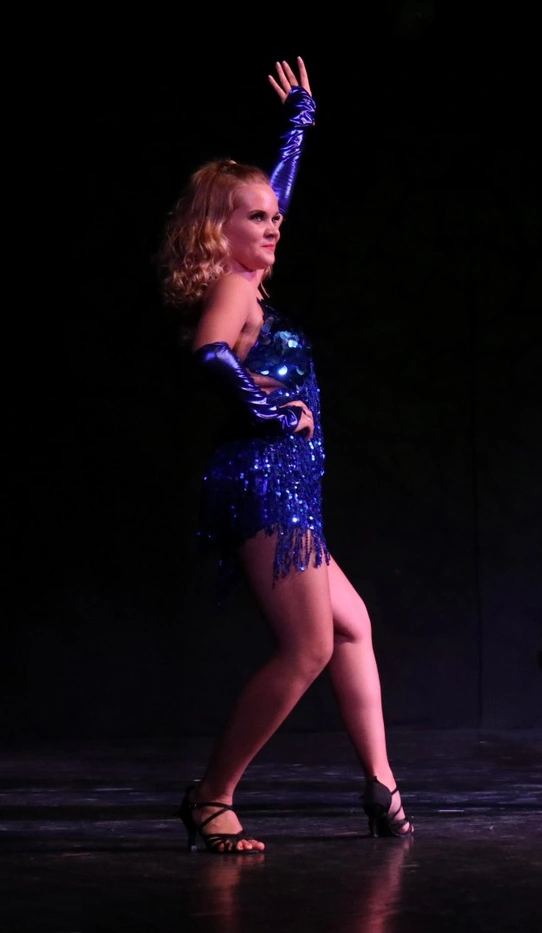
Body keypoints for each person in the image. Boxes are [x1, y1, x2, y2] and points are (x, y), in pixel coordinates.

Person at [157, 58, 412, 853]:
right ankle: (211, 794)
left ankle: (381, 783)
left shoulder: (250, 274)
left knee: (351, 626)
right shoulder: (234, 285)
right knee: (308, 647)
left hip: (288, 484)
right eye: (257, 218)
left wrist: (299, 127)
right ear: (220, 230)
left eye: (275, 216)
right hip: (263, 481)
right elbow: (208, 355)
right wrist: (268, 405)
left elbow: (274, 201)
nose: (274, 227)